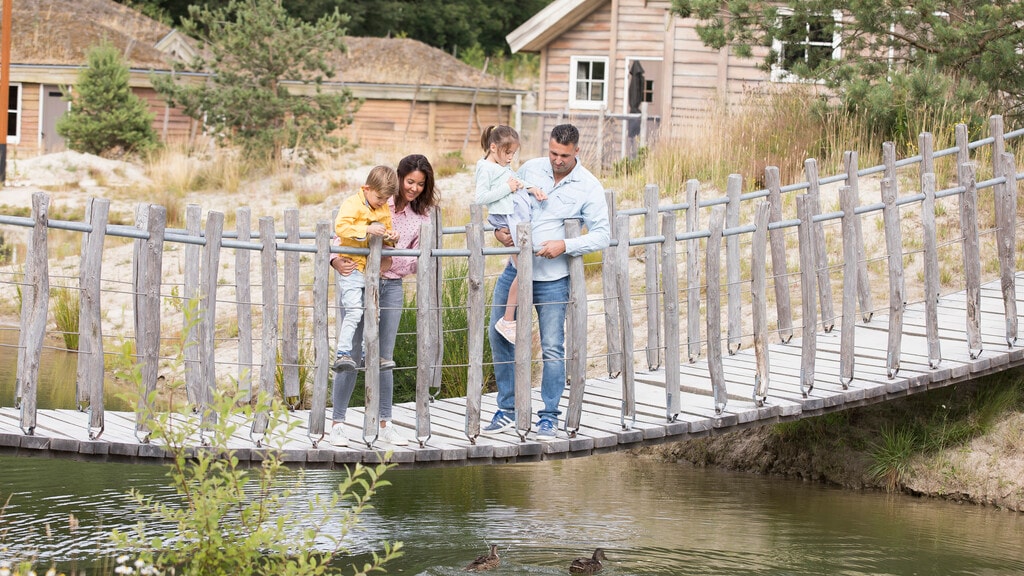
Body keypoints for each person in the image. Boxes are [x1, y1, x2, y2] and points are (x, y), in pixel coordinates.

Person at [481, 124, 610, 441]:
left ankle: (549, 417)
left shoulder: (589, 186)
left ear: (576, 151)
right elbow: (505, 205)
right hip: (516, 270)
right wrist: (499, 233)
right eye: (553, 152)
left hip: (553, 278)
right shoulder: (529, 168)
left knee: (552, 349)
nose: (557, 159)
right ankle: (507, 410)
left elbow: (603, 235)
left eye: (564, 155)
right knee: (498, 333)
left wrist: (564, 246)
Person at [329, 155, 439, 448]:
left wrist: (391, 260)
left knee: (384, 356)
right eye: (410, 181)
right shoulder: (377, 199)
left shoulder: (422, 217)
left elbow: (418, 260)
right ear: (399, 178)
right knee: (351, 351)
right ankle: (338, 422)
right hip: (359, 279)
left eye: (420, 184)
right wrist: (335, 260)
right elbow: (339, 235)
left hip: (391, 287)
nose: (414, 188)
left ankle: (385, 422)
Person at [474, 125, 547, 345]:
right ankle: (507, 320)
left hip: (515, 219)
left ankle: (513, 321)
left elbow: (515, 181)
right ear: (493, 147)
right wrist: (508, 188)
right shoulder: (485, 168)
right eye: (507, 153)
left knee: (523, 269)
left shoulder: (501, 165)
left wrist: (532, 188)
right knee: (525, 270)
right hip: (507, 219)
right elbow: (480, 198)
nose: (510, 157)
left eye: (513, 154)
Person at [332, 165, 400, 373]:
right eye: (379, 197)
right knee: (353, 310)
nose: (382, 202)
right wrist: (367, 229)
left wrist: (391, 236)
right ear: (366, 188)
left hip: (370, 270)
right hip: (352, 266)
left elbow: (386, 229)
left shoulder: (383, 208)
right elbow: (341, 228)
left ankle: (364, 353)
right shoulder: (352, 204)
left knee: (372, 312)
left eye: (386, 199)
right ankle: (343, 352)